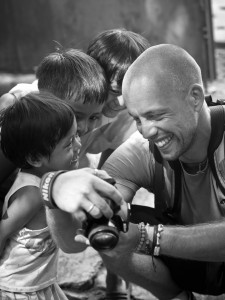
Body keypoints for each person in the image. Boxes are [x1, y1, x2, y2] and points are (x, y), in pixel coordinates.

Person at [41, 44, 225, 300]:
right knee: (112, 228)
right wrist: (53, 188)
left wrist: (148, 237)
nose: (146, 130)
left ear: (194, 97)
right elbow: (76, 240)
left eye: (156, 115)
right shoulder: (142, 150)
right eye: (137, 119)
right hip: (195, 268)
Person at [0, 48, 108, 208]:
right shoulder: (21, 129)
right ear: (45, 100)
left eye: (93, 117)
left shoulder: (76, 144)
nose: (84, 127)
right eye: (76, 115)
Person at [0, 91, 82, 299]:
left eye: (76, 136)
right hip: (18, 289)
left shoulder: (44, 181)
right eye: (69, 143)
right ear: (36, 158)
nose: (79, 145)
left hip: (38, 284)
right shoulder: (32, 195)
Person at [82, 28, 150, 168]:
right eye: (114, 91)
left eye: (130, 94)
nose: (122, 103)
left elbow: (111, 162)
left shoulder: (127, 116)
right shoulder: (67, 104)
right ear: (93, 77)